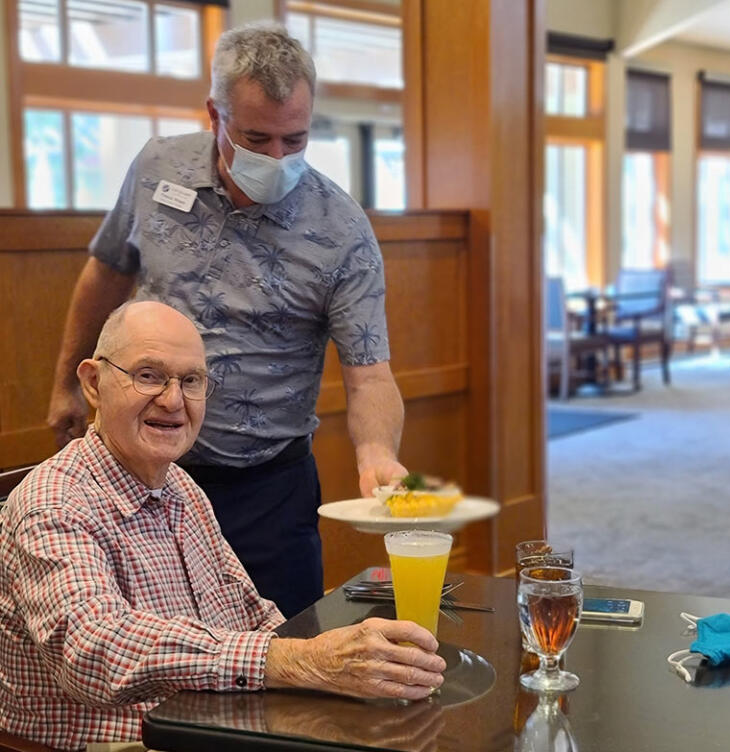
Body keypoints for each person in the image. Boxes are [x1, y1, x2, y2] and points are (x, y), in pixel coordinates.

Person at [46, 22, 408, 618]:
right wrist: (64, 383)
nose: (276, 158)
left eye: (296, 140)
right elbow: (108, 269)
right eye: (257, 137)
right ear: (214, 113)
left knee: (284, 665)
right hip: (142, 473)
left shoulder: (341, 231)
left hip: (264, 486)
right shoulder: (158, 166)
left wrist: (376, 455)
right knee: (148, 658)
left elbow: (369, 374)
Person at [0, 301, 445, 752]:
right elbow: (95, 652)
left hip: (209, 728)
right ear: (93, 383)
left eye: (191, 381)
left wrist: (344, 656)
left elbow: (249, 613)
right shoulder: (53, 502)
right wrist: (302, 660)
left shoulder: (182, 488)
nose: (173, 401)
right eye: (149, 375)